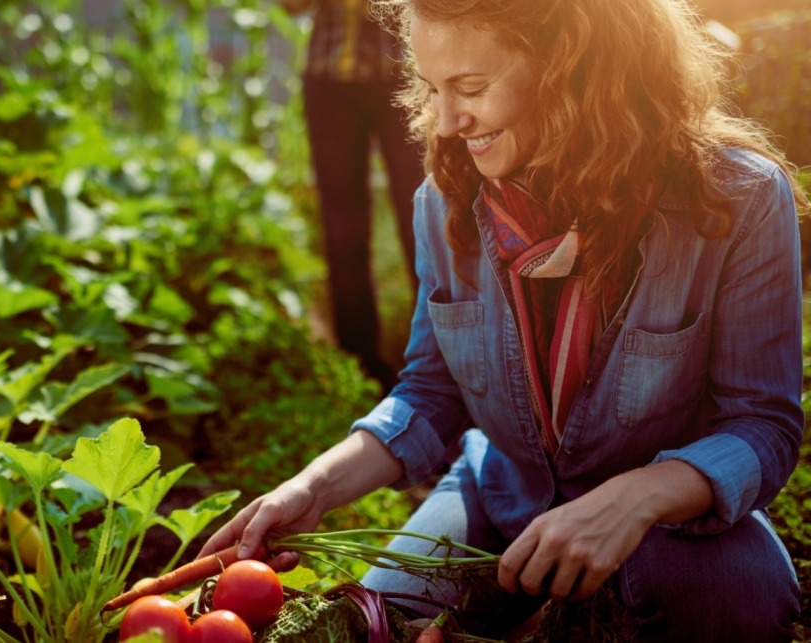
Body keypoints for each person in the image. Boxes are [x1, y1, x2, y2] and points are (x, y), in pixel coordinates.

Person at [202, 0, 807, 640]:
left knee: (741, 602)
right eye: (432, 89)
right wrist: (312, 489)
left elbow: (762, 426)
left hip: (667, 521)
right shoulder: (444, 201)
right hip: (501, 497)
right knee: (380, 626)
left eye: (470, 88)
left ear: (573, 70)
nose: (445, 122)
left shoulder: (738, 200)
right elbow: (430, 394)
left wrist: (636, 498)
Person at [281, 0, 426, 389]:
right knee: (343, 233)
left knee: (422, 222)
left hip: (405, 74)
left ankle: (438, 362)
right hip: (330, 83)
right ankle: (361, 370)